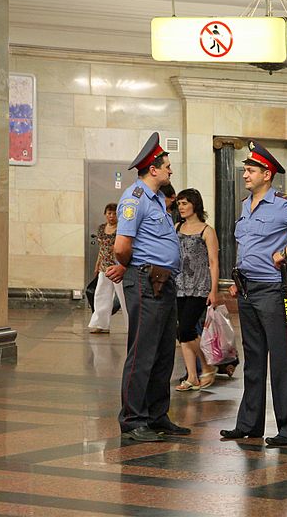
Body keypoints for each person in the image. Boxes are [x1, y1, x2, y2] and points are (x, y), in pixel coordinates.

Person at [220, 140, 287, 447]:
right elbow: (248, 246)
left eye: (251, 170)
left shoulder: (285, 206)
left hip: (273, 291)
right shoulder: (245, 205)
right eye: (245, 169)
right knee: (254, 359)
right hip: (247, 289)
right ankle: (249, 424)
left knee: (281, 360)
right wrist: (238, 276)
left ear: (267, 174)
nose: (245, 174)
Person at [106, 132, 190, 442]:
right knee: (142, 352)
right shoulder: (135, 199)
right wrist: (130, 266)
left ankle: (157, 416)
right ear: (152, 169)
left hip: (164, 282)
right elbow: (121, 246)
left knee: (164, 352)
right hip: (145, 280)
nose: (170, 171)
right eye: (167, 166)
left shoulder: (158, 200)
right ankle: (132, 420)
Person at [173, 188, 219, 392]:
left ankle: (208, 366)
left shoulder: (207, 230)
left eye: (185, 203)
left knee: (186, 328)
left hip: (199, 286)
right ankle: (192, 376)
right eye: (179, 203)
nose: (181, 207)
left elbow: (214, 262)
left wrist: (214, 290)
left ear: (195, 204)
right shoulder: (176, 227)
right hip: (178, 285)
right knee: (182, 332)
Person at [87, 203, 128, 334]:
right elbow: (101, 248)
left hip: (117, 265)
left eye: (114, 213)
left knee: (123, 297)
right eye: (109, 213)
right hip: (104, 266)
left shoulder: (122, 228)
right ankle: (100, 323)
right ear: (105, 214)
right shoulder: (101, 228)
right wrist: (97, 264)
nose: (111, 216)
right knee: (101, 294)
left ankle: (131, 325)